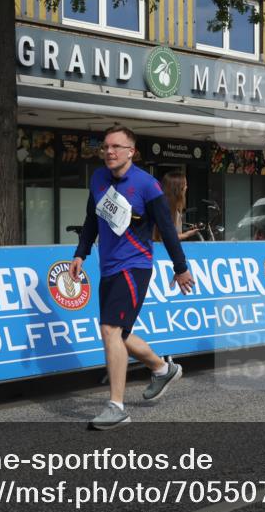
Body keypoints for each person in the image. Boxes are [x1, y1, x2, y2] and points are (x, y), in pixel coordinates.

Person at [70, 125, 195, 429]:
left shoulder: (147, 186)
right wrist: (80, 253)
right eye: (106, 147)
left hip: (135, 267)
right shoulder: (98, 178)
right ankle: (161, 368)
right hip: (108, 267)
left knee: (111, 330)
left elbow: (166, 228)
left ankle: (116, 407)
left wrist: (181, 268)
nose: (109, 152)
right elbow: (91, 219)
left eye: (116, 147)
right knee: (118, 333)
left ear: (131, 152)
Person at [152, 171, 201, 242]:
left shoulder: (166, 207)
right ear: (178, 189)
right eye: (185, 185)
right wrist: (186, 235)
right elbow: (164, 237)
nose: (186, 188)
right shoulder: (165, 210)